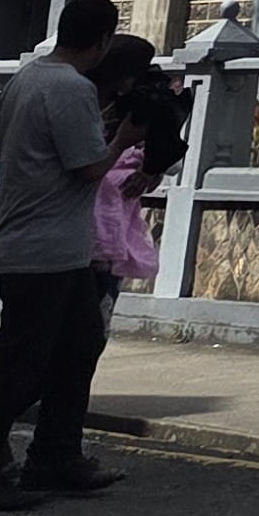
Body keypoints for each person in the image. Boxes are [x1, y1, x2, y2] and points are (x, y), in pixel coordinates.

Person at [0, 0, 140, 513]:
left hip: (50, 246)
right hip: (43, 249)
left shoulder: (27, 77)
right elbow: (88, 169)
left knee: (77, 347)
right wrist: (125, 138)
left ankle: (55, 455)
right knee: (21, 364)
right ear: (102, 42)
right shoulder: (72, 88)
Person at [85, 36, 171, 333]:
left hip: (110, 234)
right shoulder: (82, 103)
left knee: (95, 325)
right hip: (79, 234)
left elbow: (162, 159)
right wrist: (120, 140)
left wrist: (150, 168)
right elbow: (87, 168)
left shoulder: (130, 111)